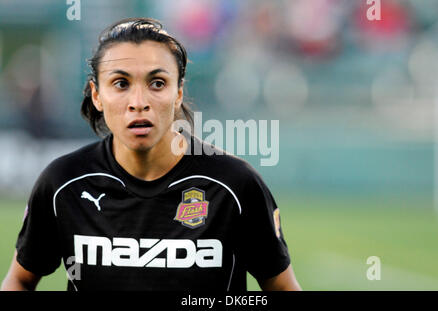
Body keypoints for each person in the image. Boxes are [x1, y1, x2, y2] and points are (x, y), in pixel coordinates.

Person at [1, 18, 301, 291]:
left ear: (179, 93)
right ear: (97, 95)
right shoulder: (63, 183)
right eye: (120, 84)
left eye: (157, 83)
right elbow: (20, 280)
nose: (139, 101)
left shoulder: (234, 185)